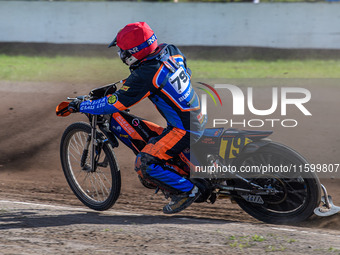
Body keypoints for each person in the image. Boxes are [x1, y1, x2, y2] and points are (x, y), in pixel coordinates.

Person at [69, 22, 206, 214]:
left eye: (122, 51)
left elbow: (116, 103)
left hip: (183, 130)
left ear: (133, 53)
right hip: (196, 118)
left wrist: (82, 105)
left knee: (144, 163)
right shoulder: (170, 50)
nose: (121, 55)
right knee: (149, 137)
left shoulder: (146, 73)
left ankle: (189, 191)